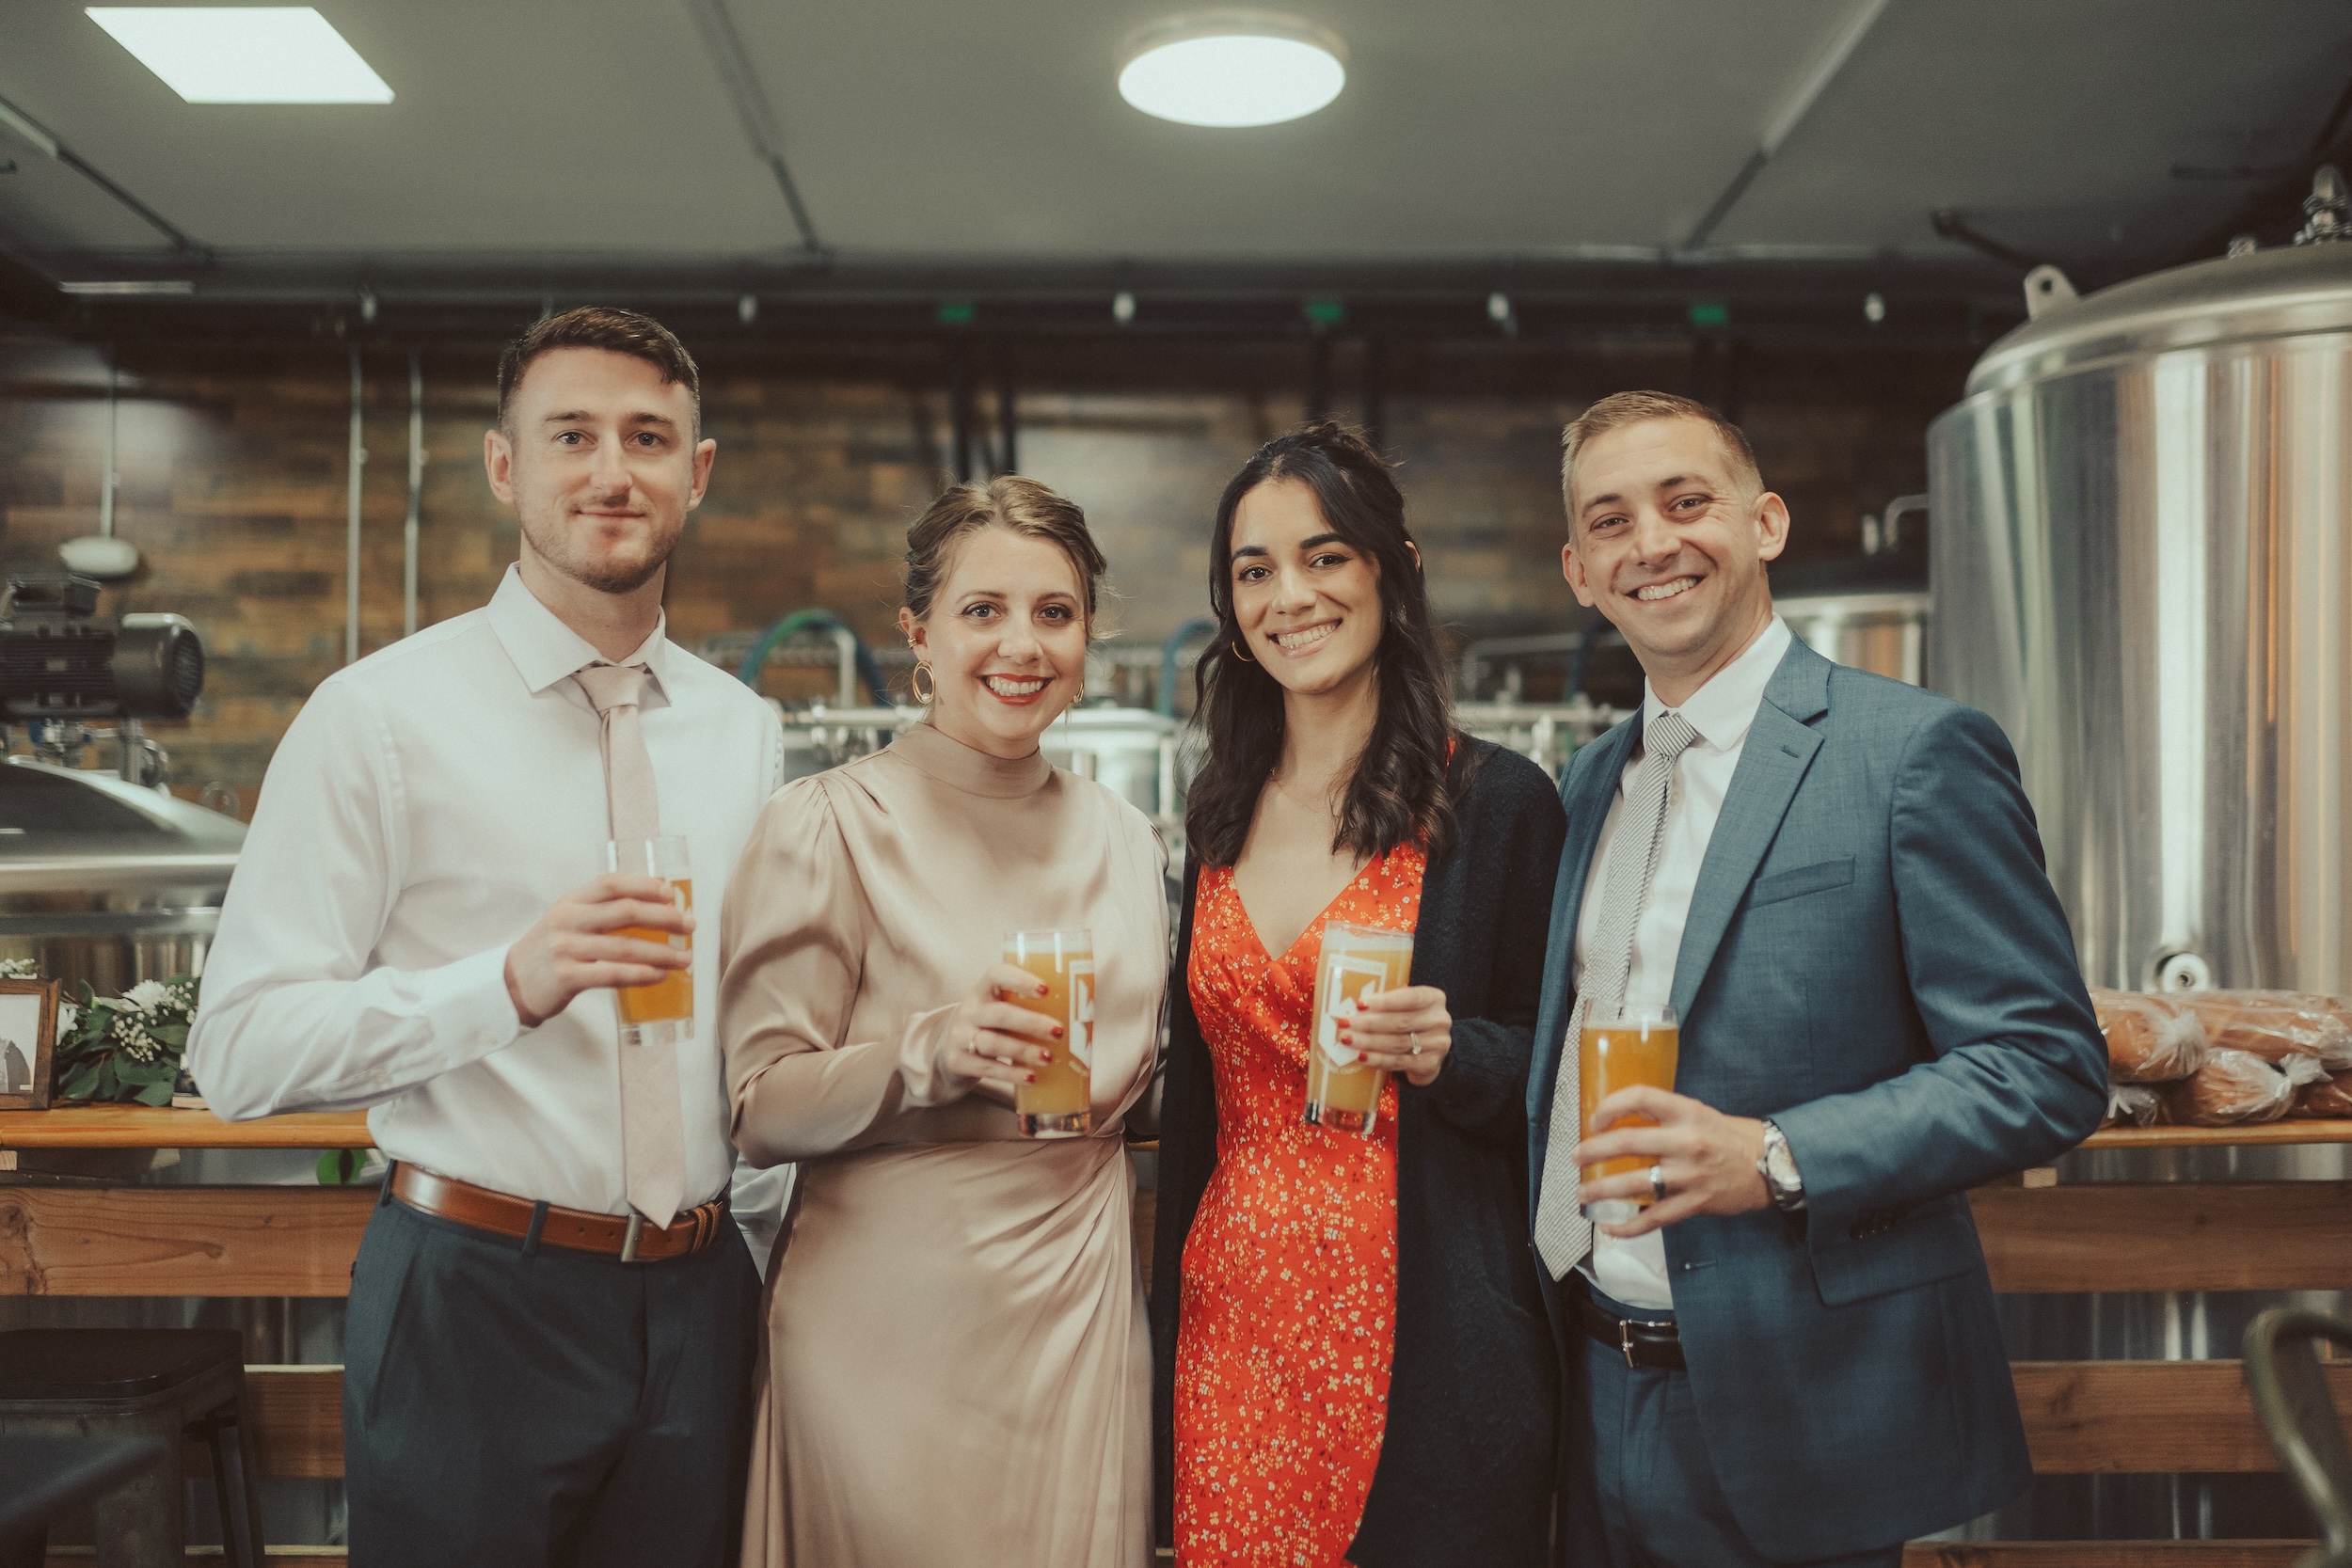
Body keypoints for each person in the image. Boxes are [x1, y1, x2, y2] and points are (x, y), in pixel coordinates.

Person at [187, 308, 783, 1568]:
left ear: (699, 471)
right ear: (504, 464)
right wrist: (503, 984)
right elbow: (237, 1051)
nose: (613, 470)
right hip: (477, 1291)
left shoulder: (745, 730)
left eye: (648, 436)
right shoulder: (378, 718)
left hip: (699, 1294)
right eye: (572, 433)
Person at [1528, 390, 2107, 1568]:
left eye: (1686, 501)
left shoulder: (1910, 751)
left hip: (1798, 1400)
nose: (1652, 541)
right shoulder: (1592, 781)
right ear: (1579, 571)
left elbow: (2047, 1065)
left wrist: (1777, 1153)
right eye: (1611, 520)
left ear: (1765, 523)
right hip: (1586, 1379)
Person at [719, 475, 1165, 1568]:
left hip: (1078, 1311)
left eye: (1053, 613)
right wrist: (926, 1051)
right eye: (983, 610)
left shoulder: (1128, 835)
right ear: (918, 631)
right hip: (886, 1331)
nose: (1021, 644)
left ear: (1087, 636)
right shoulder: (827, 822)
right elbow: (757, 1105)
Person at [1151, 422, 1565, 1568]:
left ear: (1393, 566)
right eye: (1254, 570)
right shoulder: (1217, 812)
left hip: (1428, 1329)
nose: (1290, 595)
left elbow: (1571, 1063)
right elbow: (1198, 1102)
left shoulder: (1494, 800)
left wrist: (1459, 1048)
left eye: (1325, 556)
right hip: (1233, 1321)